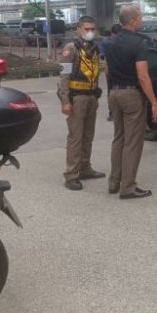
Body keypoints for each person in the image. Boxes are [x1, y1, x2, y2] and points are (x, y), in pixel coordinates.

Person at [105, 5, 157, 199]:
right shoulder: (139, 43)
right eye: (140, 17)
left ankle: (114, 183)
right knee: (133, 142)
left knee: (118, 138)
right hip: (132, 96)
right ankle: (128, 186)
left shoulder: (110, 42)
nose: (142, 21)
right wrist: (154, 102)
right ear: (132, 21)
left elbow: (107, 71)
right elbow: (143, 77)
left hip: (114, 93)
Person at [57, 16, 105, 191]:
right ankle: (71, 175)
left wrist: (96, 97)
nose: (90, 32)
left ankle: (85, 168)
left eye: (92, 29)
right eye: (86, 29)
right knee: (76, 137)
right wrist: (65, 101)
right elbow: (64, 76)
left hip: (91, 97)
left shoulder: (94, 48)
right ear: (78, 29)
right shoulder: (71, 49)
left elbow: (96, 74)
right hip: (76, 98)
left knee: (88, 135)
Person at [100, 23, 122, 121]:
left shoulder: (106, 41)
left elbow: (102, 56)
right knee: (113, 90)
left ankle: (113, 113)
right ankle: (113, 112)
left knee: (112, 91)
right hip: (112, 69)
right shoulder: (107, 42)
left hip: (112, 69)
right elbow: (103, 57)